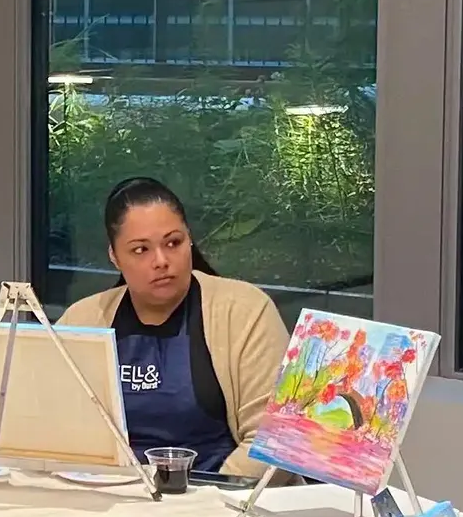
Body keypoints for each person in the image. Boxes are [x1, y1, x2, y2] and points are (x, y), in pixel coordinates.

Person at [58, 179, 291, 478]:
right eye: (140, 249)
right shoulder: (82, 320)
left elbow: (271, 441)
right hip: (109, 499)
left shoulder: (244, 311)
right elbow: (52, 431)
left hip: (217, 503)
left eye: (173, 243)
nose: (161, 261)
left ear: (190, 240)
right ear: (114, 257)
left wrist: (210, 500)